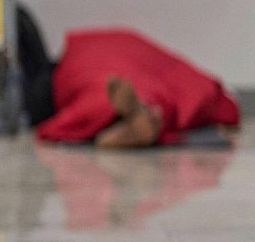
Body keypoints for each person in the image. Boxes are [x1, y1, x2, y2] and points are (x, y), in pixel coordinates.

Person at [18, 8, 240, 148]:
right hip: (125, 74)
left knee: (95, 92)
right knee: (167, 91)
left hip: (89, 74)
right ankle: (143, 111)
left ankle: (127, 119)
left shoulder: (71, 63)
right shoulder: (111, 42)